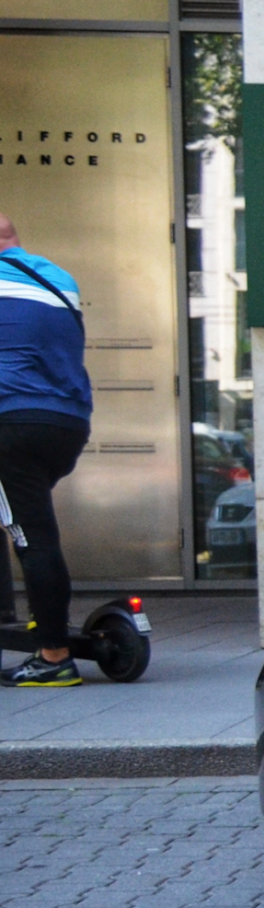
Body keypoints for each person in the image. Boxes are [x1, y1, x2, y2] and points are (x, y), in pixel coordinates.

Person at [0, 211, 93, 688]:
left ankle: (54, 654)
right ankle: (43, 622)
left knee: (33, 535)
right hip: (65, 423)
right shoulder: (57, 277)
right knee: (26, 523)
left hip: (11, 422)